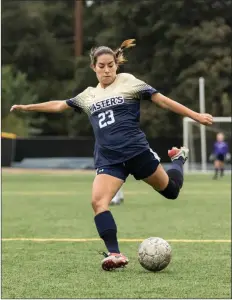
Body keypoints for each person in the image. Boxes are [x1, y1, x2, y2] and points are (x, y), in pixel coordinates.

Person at [10, 39, 213, 271]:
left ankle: (178, 158)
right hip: (109, 159)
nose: (106, 70)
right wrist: (28, 107)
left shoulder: (129, 82)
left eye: (110, 65)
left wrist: (195, 115)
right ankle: (115, 253)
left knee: (171, 192)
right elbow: (59, 106)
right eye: (101, 66)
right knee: (98, 202)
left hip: (137, 152)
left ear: (116, 65)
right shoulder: (88, 95)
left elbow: (162, 101)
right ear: (93, 68)